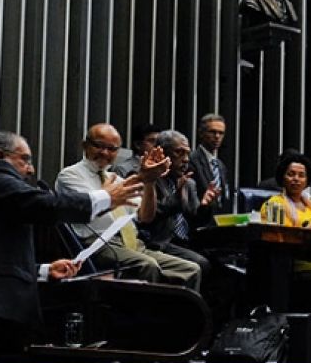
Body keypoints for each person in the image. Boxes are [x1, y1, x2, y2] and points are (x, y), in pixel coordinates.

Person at [0, 130, 142, 363]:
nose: (31, 169)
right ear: (1, 155)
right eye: (25, 159)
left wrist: (44, 270)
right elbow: (44, 204)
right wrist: (104, 197)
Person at [56, 123, 202, 292]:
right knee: (147, 265)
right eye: (99, 146)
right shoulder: (70, 175)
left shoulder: (116, 179)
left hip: (132, 242)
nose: (105, 153)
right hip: (97, 243)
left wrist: (149, 181)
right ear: (85, 145)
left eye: (112, 149)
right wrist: (112, 192)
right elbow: (90, 208)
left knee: (191, 269)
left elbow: (145, 217)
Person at [139, 130, 219, 280]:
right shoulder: (151, 178)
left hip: (187, 242)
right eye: (179, 153)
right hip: (160, 242)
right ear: (162, 153)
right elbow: (148, 217)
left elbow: (196, 220)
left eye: (188, 153)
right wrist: (176, 198)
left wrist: (205, 205)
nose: (186, 159)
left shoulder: (189, 183)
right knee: (201, 263)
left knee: (221, 263)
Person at [260, 153, 311, 227]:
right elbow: (276, 232)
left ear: (307, 181)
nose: (296, 178)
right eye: (291, 174)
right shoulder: (273, 204)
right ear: (282, 178)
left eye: (301, 175)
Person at [187, 113, 231, 219]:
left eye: (221, 133)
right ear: (201, 133)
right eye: (212, 132)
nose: (217, 136)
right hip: (199, 220)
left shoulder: (220, 165)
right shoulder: (191, 160)